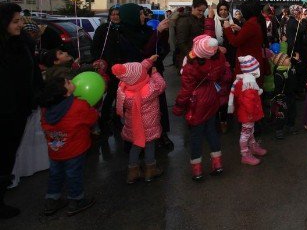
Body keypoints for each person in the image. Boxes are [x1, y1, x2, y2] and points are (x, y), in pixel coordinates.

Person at [1, 3, 44, 219]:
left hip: (19, 109)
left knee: (8, 154)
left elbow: (31, 70)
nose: (20, 25)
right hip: (5, 111)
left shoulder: (20, 43)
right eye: (15, 21)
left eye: (20, 20)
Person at [173, 35, 231, 181]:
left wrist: (178, 108)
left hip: (196, 103)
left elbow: (186, 91)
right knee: (212, 131)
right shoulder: (219, 59)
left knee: (196, 136)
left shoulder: (190, 66)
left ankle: (197, 169)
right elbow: (224, 75)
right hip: (212, 97)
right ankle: (217, 164)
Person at [38, 76, 97, 217]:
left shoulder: (46, 110)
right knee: (74, 174)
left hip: (56, 150)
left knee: (55, 174)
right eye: (68, 82)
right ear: (66, 93)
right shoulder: (79, 105)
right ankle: (76, 200)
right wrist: (93, 110)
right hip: (75, 149)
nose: (72, 81)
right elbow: (92, 118)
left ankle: (52, 200)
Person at [112, 56, 166, 184]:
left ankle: (133, 173)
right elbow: (161, 85)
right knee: (149, 146)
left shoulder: (123, 88)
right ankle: (150, 170)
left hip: (134, 127)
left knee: (135, 147)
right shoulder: (150, 89)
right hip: (149, 125)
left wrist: (149, 61)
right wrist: (155, 73)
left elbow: (137, 70)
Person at [228, 56, 267, 166]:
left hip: (247, 114)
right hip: (248, 114)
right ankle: (245, 154)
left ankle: (253, 147)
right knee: (245, 133)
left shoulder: (244, 81)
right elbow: (248, 101)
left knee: (250, 131)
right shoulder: (248, 84)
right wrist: (251, 113)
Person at [223, 2, 269, 83]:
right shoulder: (256, 21)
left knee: (245, 88)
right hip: (254, 60)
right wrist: (241, 30)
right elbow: (252, 37)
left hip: (248, 63)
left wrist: (227, 29)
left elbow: (235, 42)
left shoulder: (250, 23)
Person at [174, 0, 208, 69]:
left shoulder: (202, 19)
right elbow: (181, 42)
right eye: (199, 10)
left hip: (200, 57)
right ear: (193, 8)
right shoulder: (184, 20)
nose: (201, 13)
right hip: (189, 57)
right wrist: (192, 55)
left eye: (203, 11)